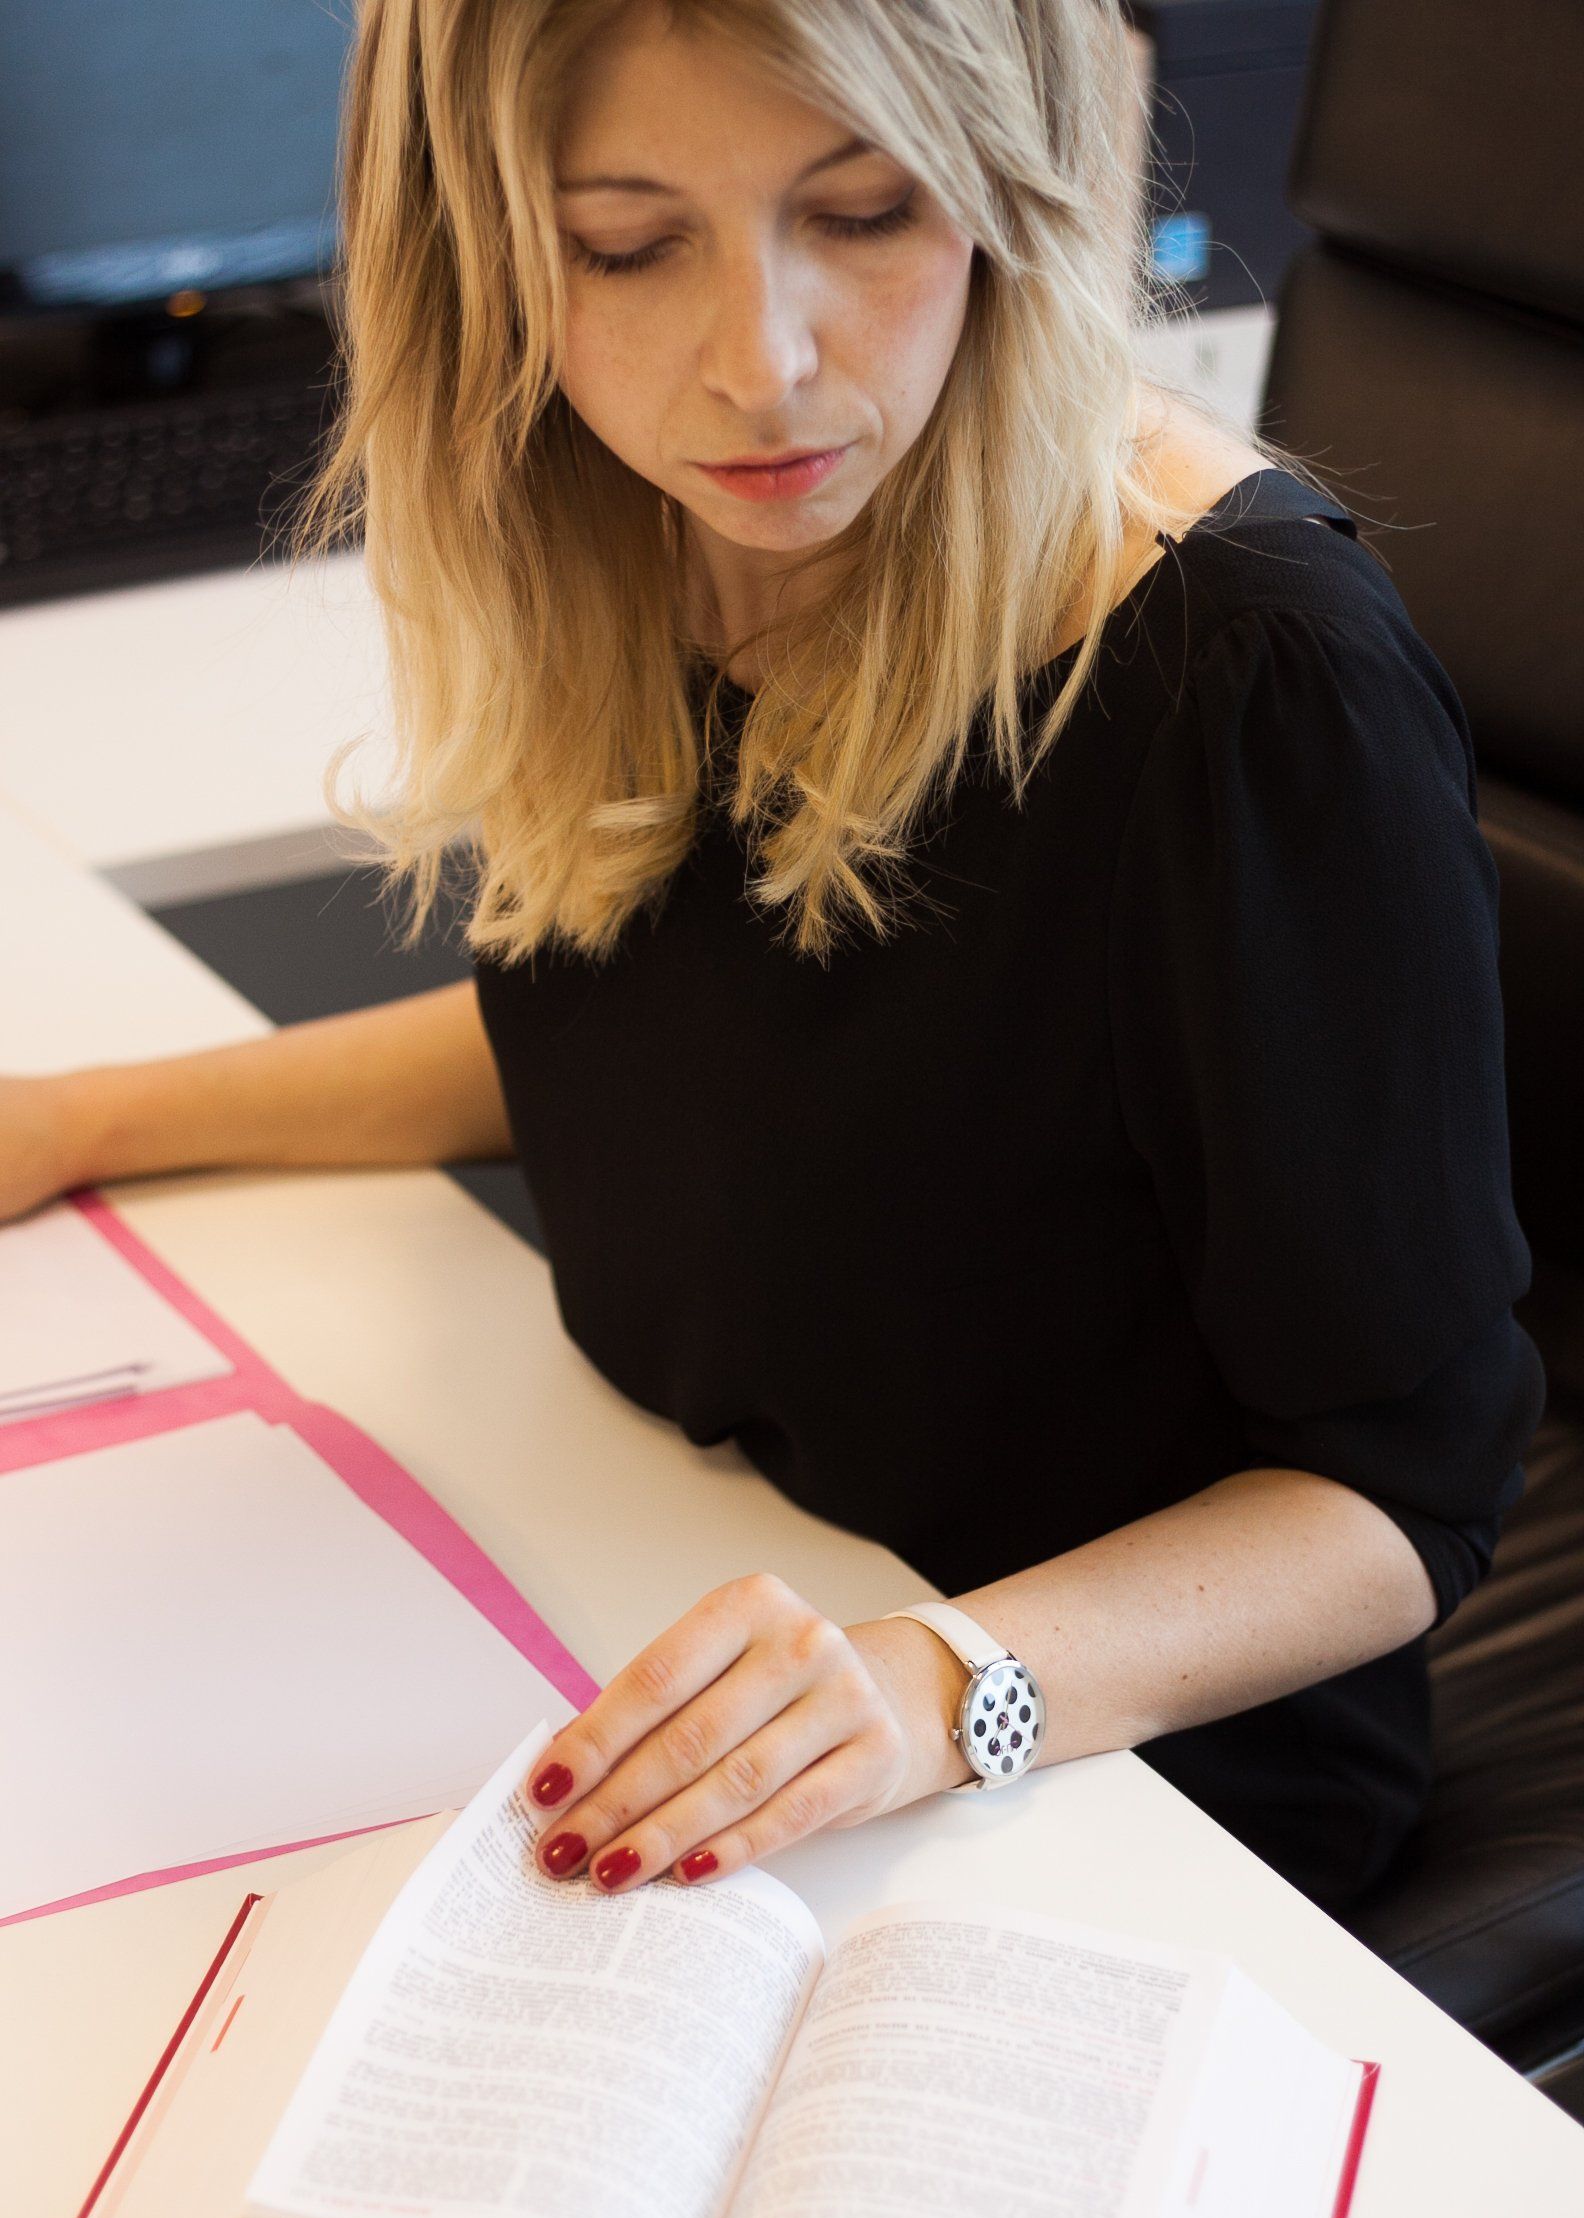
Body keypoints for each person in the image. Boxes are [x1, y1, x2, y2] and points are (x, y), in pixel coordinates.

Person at [0, 0, 1544, 1915]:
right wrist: (73, 1120)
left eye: (873, 213)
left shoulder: (1246, 682)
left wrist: (929, 1689)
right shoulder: (650, 523)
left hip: (1100, 1774)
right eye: (625, 245)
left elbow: (1403, 1498)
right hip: (686, 1587)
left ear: (1009, 196)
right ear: (477, 249)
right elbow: (660, 1027)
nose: (767, 367)